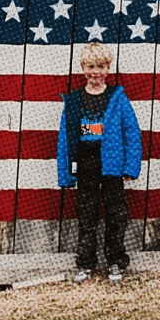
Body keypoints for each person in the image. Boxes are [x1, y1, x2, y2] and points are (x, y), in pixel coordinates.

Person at [57, 42, 142, 283]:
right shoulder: (74, 101)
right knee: (87, 215)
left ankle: (115, 261)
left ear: (108, 68)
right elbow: (64, 138)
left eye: (101, 66)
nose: (96, 72)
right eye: (91, 66)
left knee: (116, 215)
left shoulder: (118, 97)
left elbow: (132, 133)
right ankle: (85, 263)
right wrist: (66, 173)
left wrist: (130, 166)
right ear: (83, 67)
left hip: (112, 165)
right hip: (85, 164)